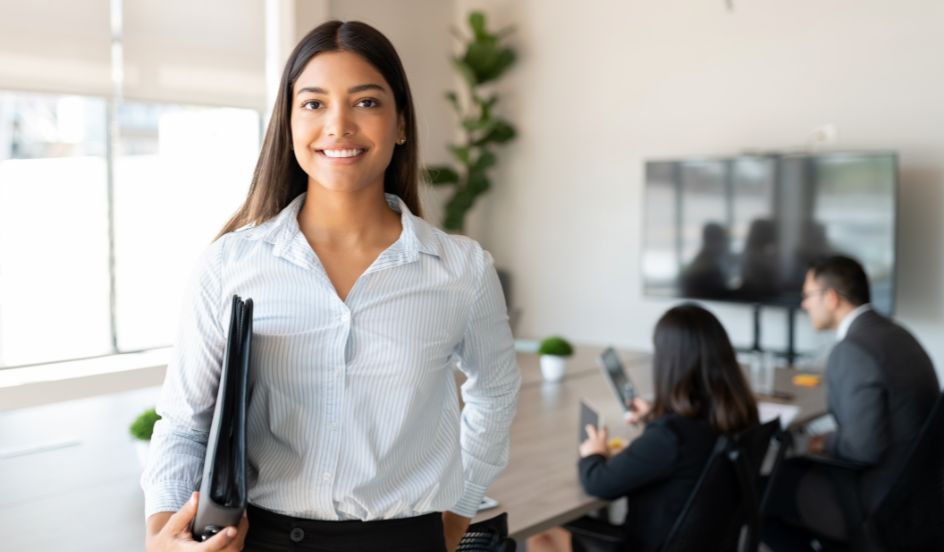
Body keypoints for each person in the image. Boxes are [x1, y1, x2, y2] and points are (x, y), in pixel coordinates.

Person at [141, 20, 520, 552]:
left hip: (405, 539)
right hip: (261, 539)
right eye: (314, 104)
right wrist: (162, 533)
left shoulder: (460, 269)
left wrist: (458, 512)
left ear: (401, 123)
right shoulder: (230, 263)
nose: (338, 126)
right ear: (290, 123)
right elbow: (184, 422)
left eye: (365, 103)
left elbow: (497, 393)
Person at [528, 304, 759, 552]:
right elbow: (688, 443)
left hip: (646, 546)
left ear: (669, 363)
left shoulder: (670, 437)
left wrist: (593, 453)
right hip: (708, 542)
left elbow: (598, 483)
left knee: (542, 533)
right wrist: (654, 417)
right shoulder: (740, 415)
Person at [764, 255, 940, 542]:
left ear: (831, 298)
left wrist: (820, 442)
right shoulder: (897, 334)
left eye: (808, 295)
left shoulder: (852, 351)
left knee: (761, 490)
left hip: (875, 495)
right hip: (916, 489)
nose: (804, 304)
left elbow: (862, 449)